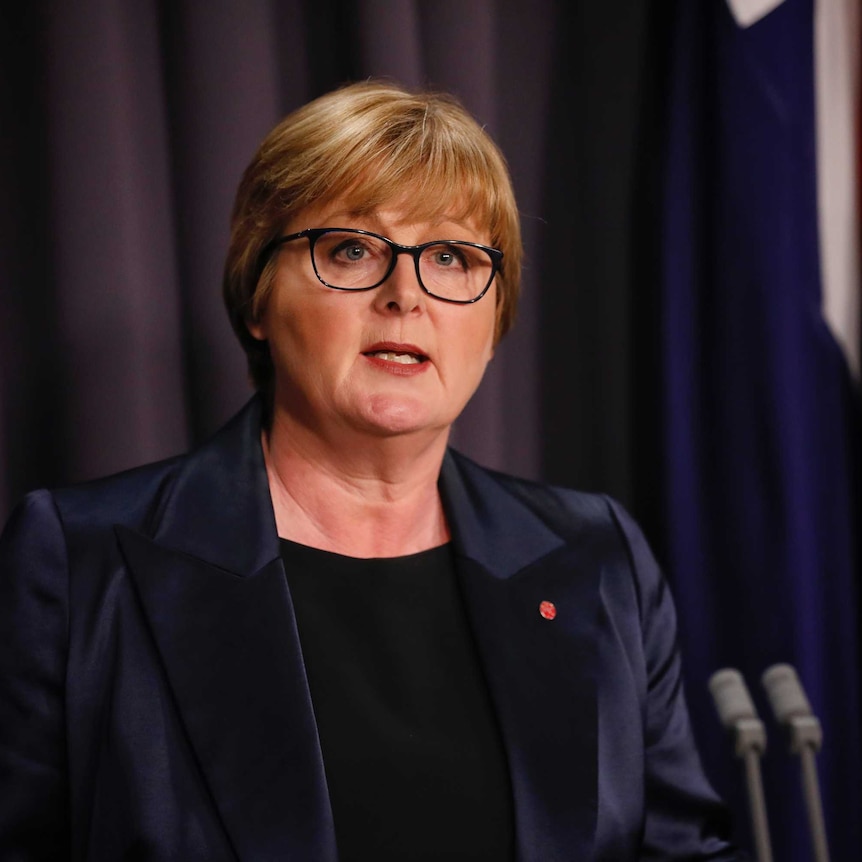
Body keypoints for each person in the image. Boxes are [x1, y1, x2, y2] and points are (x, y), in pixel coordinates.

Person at [0, 80, 746, 861]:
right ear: (258, 295)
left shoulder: (597, 558)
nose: (405, 295)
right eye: (352, 250)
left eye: (453, 256)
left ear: (495, 320)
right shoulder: (82, 560)